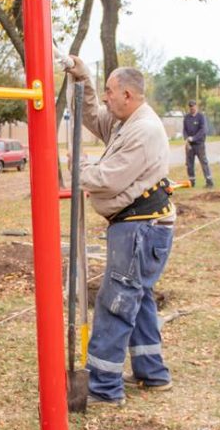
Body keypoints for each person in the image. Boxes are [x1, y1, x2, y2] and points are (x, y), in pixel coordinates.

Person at [65, 57, 175, 407]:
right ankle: (151, 371)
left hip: (140, 227)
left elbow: (109, 177)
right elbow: (93, 115)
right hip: (138, 225)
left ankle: (103, 386)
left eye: (111, 92)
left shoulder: (143, 130)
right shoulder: (126, 120)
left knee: (117, 302)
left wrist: (77, 168)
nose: (107, 99)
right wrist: (82, 81)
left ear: (128, 95)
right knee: (137, 299)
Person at [183, 100, 214, 188]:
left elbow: (203, 130)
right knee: (189, 164)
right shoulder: (186, 117)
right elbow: (184, 129)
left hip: (199, 144)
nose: (192, 108)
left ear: (196, 106)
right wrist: (186, 138)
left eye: (193, 106)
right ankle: (191, 182)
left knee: (204, 162)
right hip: (190, 145)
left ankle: (209, 181)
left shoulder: (201, 117)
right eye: (190, 107)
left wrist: (194, 138)